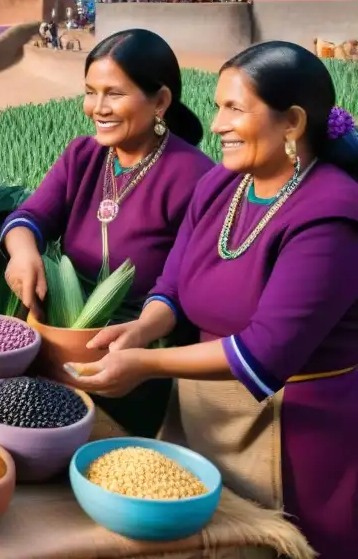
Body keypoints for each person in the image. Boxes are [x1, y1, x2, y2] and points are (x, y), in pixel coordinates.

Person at [68, 41, 358, 558]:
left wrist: (146, 363)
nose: (217, 124)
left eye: (234, 108)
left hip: (293, 436)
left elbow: (266, 353)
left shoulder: (331, 214)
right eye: (218, 105)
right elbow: (174, 286)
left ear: (291, 122)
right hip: (202, 417)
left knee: (286, 545)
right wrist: (141, 329)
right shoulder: (222, 185)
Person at [0, 29, 214, 437]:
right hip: (57, 344)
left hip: (136, 363)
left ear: (161, 101)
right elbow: (29, 217)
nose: (97, 108)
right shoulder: (83, 156)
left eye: (114, 94)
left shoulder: (193, 177)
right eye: (90, 92)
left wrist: (142, 336)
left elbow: (187, 285)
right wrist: (23, 251)